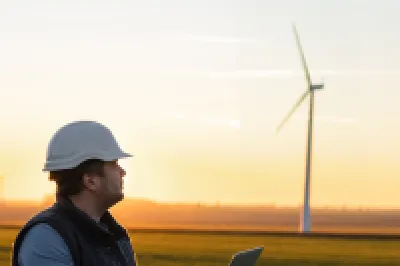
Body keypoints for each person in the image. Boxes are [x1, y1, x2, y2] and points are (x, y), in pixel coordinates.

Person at [11, 120, 137, 266]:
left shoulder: (116, 236)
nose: (123, 172)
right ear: (91, 181)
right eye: (114, 164)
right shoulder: (47, 237)